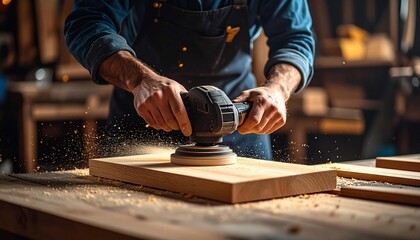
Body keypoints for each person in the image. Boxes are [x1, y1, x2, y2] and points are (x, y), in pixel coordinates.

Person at [64, 0, 315, 160]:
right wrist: (140, 80)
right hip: (147, 117)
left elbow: (296, 38)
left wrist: (277, 89)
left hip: (240, 127)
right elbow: (87, 23)